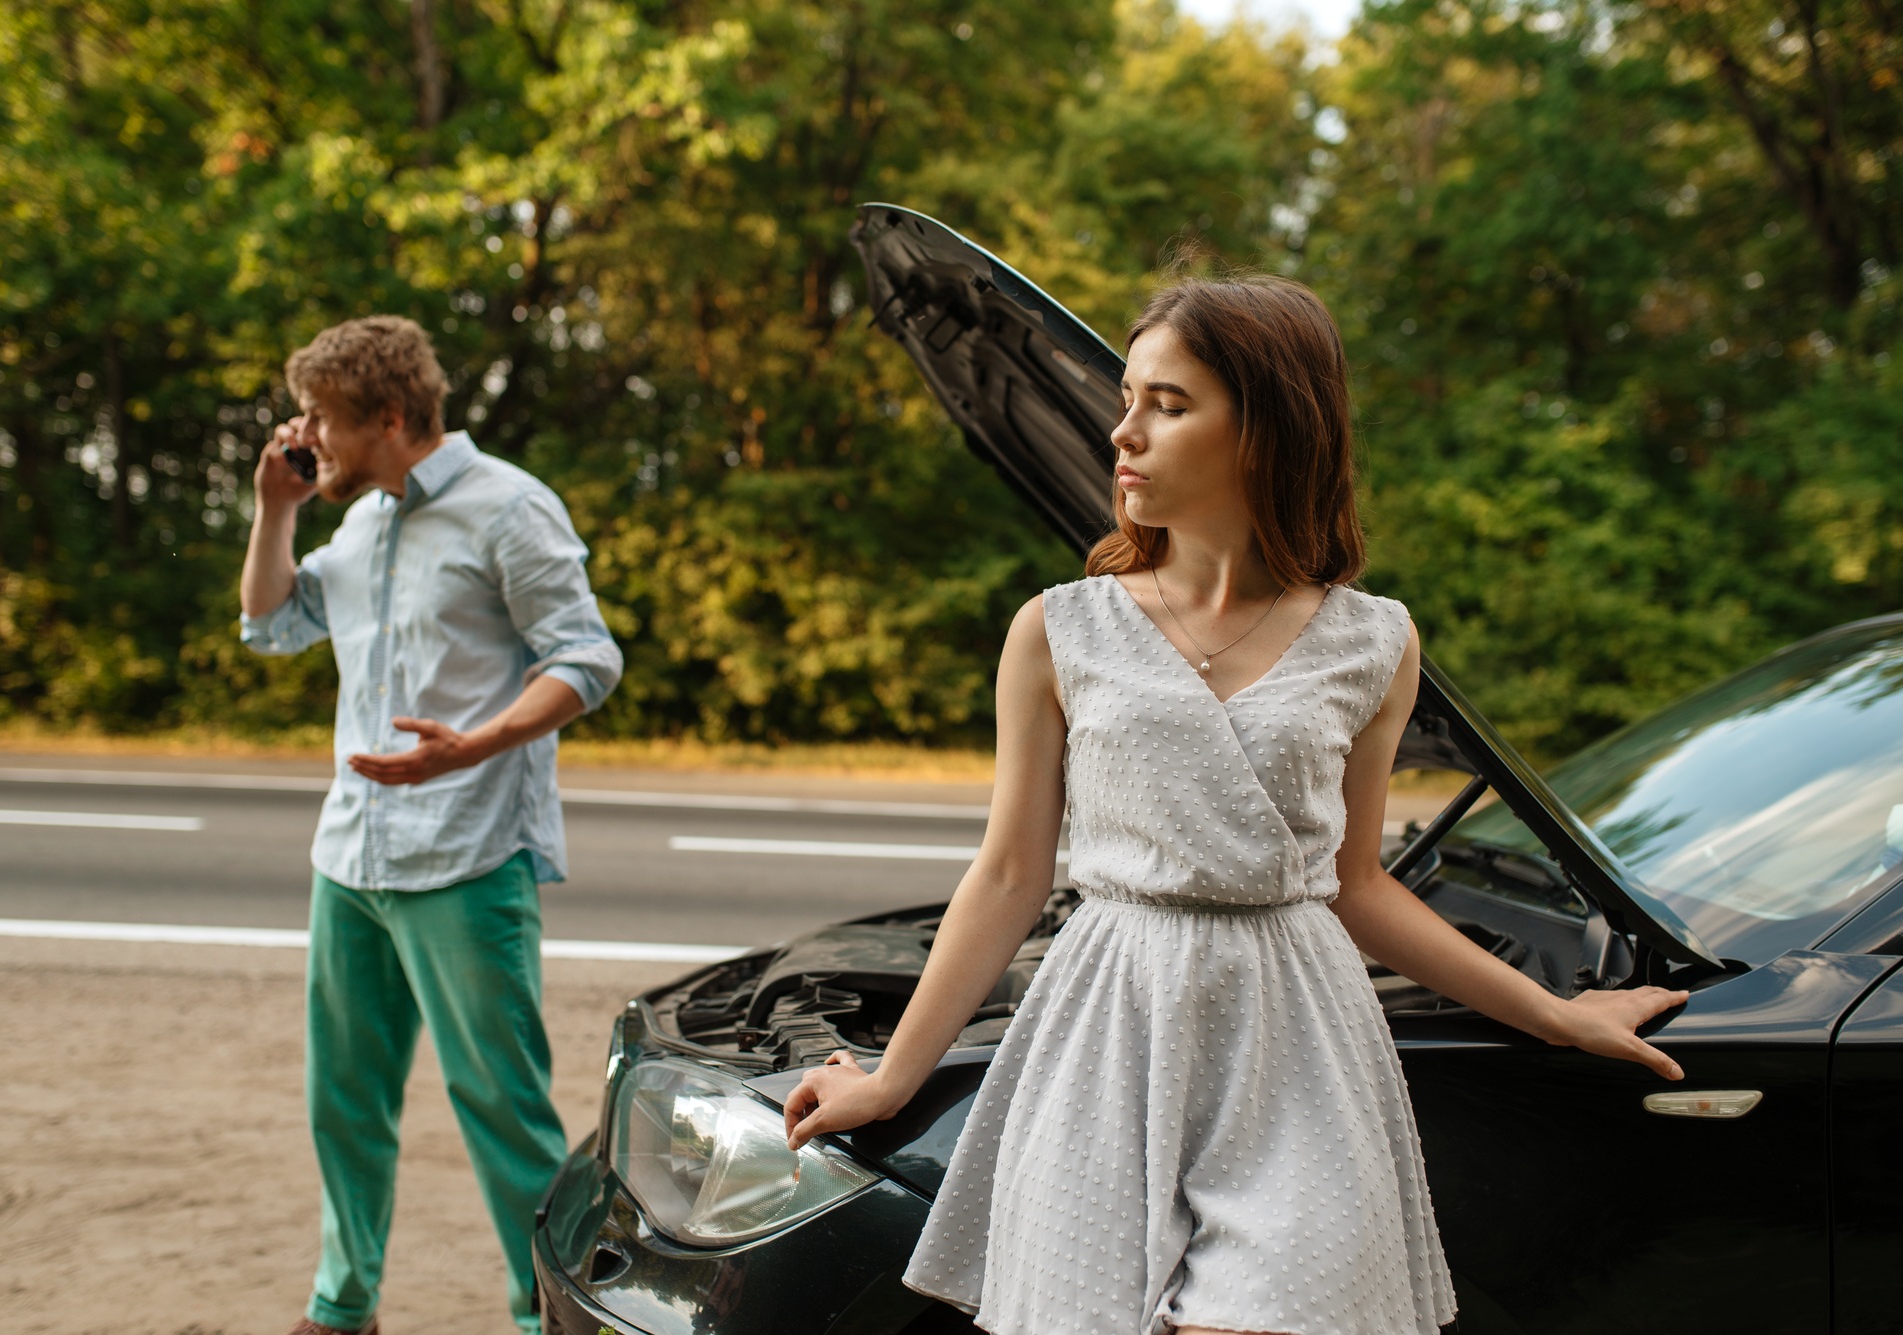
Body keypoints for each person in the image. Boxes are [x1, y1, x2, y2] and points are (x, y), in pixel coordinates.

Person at [783, 277, 1690, 1335]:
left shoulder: (1374, 643)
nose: (1123, 431)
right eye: (1128, 399)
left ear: (1265, 428)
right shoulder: (1056, 631)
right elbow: (1008, 875)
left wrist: (1555, 1014)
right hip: (1110, 1027)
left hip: (1294, 1049)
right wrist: (893, 1077)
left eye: (1167, 404)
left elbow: (1354, 886)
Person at [239, 315, 622, 1335]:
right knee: (344, 1104)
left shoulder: (510, 509)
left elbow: (586, 661)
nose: (305, 432)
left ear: (392, 418)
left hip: (465, 857)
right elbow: (272, 623)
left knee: (503, 1114)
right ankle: (341, 1303)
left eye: (322, 418)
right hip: (349, 860)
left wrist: (472, 745)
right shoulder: (360, 520)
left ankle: (546, 1315)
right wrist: (274, 510)